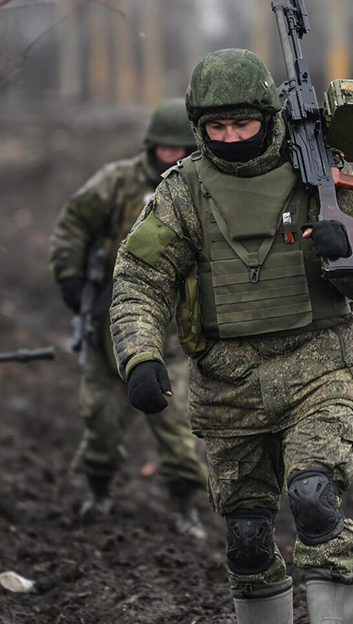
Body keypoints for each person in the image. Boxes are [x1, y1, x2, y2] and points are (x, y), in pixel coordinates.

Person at [108, 49, 353, 624]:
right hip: (227, 383)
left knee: (315, 500)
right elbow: (139, 278)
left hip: (318, 366)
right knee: (246, 535)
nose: (231, 137)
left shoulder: (319, 172)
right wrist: (139, 356)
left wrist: (352, 257)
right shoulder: (183, 191)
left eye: (243, 124)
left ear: (268, 118)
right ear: (199, 127)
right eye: (217, 127)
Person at [48, 98, 207, 538]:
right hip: (109, 323)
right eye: (163, 148)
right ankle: (97, 495)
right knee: (101, 419)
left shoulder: (202, 187)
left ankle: (185, 508)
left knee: (178, 429)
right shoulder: (117, 182)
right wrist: (70, 276)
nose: (170, 156)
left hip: (175, 330)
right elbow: (72, 225)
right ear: (150, 145)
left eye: (179, 149)